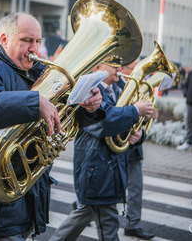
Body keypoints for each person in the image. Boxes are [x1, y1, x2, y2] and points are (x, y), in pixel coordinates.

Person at [0, 12, 104, 240]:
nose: (34, 48)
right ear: (4, 39)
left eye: (37, 41)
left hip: (28, 185)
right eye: (26, 40)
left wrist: (90, 107)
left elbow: (66, 115)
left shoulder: (36, 71)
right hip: (0, 184)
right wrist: (32, 102)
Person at [50, 62, 154, 241]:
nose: (119, 68)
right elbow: (105, 123)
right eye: (113, 64)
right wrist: (136, 110)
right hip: (97, 166)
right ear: (97, 67)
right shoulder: (90, 90)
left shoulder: (122, 87)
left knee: (87, 215)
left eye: (120, 64)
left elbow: (125, 123)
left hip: (109, 166)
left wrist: (140, 134)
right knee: (107, 224)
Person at [121, 60, 155, 239]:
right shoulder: (117, 85)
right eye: (134, 68)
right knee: (107, 189)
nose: (137, 72)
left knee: (136, 187)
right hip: (117, 148)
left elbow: (143, 120)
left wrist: (141, 133)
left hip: (134, 148)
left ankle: (133, 223)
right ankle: (81, 205)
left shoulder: (140, 88)